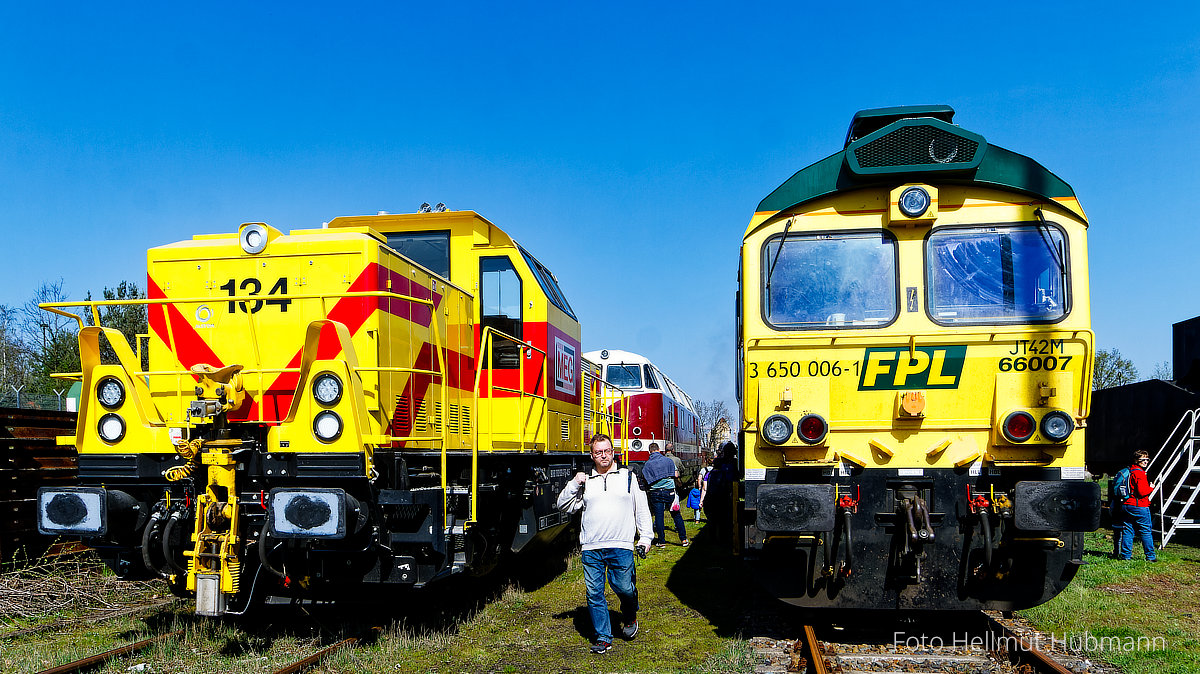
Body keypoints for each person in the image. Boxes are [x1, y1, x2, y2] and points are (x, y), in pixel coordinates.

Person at [556, 433, 653, 654]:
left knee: (623, 587)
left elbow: (642, 510)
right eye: (598, 452)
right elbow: (563, 505)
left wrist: (646, 537)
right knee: (594, 593)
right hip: (591, 547)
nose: (603, 456)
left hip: (621, 545)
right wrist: (574, 483)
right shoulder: (586, 481)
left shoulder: (628, 477)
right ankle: (603, 637)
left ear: (613, 452)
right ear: (592, 455)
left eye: (607, 451)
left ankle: (629, 616)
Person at [643, 442, 690, 548]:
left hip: (655, 492)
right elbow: (676, 474)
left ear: (649, 451)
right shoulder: (668, 461)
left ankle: (661, 541)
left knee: (659, 517)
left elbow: (646, 479)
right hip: (670, 491)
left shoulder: (648, 464)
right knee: (676, 515)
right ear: (659, 450)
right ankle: (683, 539)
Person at [1119, 450, 1157, 562]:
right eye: (1142, 460)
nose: (1145, 462)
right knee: (1146, 531)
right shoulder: (1140, 473)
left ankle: (1126, 556)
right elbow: (1141, 492)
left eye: (1147, 459)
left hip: (1126, 504)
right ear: (1136, 460)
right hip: (1139, 505)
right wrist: (1151, 488)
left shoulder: (1130, 470)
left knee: (1128, 530)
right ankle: (1150, 557)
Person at [704, 442, 738, 546]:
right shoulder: (733, 465)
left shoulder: (715, 468)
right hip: (725, 496)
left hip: (713, 495)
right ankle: (724, 539)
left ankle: (713, 539)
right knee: (725, 520)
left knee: (714, 520)